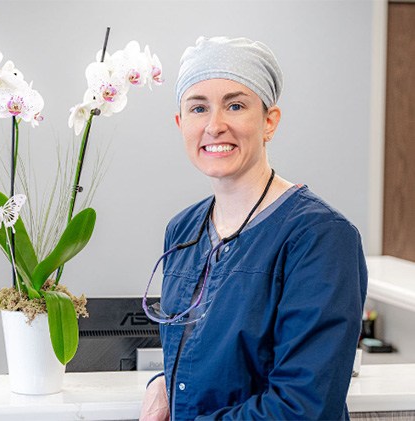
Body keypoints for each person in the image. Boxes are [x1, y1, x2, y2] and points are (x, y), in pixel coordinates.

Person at [139, 36, 367, 420]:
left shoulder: (321, 237)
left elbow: (303, 407)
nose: (215, 125)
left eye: (236, 105)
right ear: (181, 124)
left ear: (269, 122)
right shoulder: (183, 230)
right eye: (198, 108)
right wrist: (162, 382)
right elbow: (209, 352)